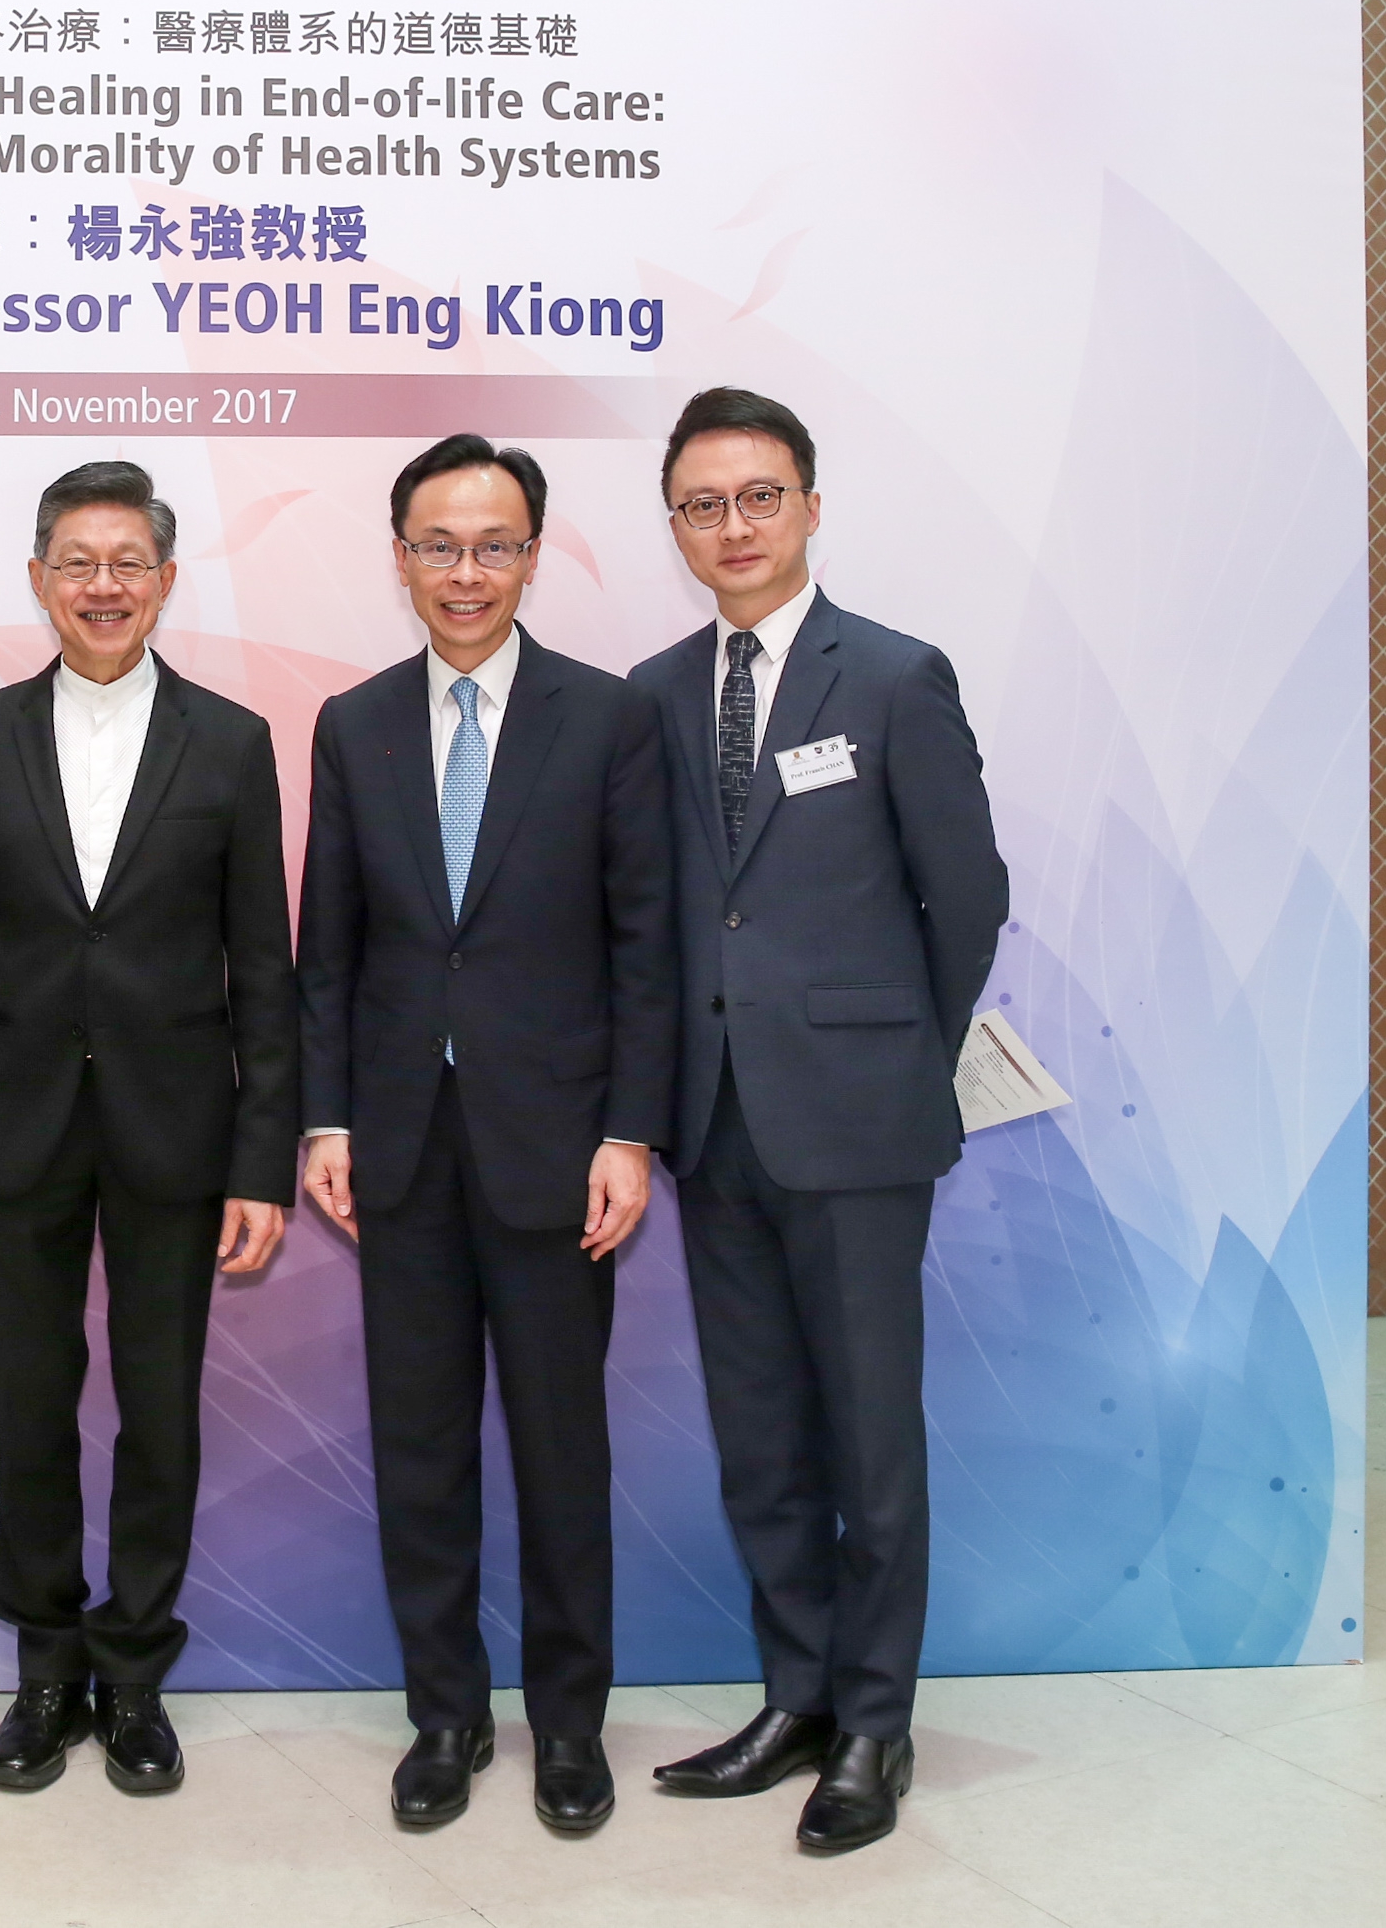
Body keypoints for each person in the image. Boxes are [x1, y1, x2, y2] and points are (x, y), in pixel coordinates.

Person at [628, 389, 1007, 1855]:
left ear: (810, 505)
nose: (733, 526)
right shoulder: (656, 690)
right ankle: (792, 1691)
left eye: (759, 496)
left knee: (868, 1435)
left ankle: (874, 1722)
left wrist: (888, 1047)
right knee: (762, 1433)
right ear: (674, 526)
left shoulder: (897, 676)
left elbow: (963, 898)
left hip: (856, 1124)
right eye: (704, 504)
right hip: (712, 1124)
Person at [296, 434, 676, 1834]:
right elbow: (325, 950)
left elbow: (647, 942)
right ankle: (444, 1715)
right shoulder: (356, 721)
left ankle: (569, 1725)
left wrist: (631, 1130)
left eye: (494, 542)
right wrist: (325, 1113)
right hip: (397, 1147)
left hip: (558, 1148)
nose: (466, 570)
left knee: (563, 1447)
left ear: (535, 551)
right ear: (401, 556)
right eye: (439, 545)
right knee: (422, 1447)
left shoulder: (608, 717)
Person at [0, 462, 299, 1797]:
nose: (103, 585)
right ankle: (43, 1667)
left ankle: (132, 1671)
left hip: (177, 1138)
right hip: (14, 1137)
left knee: (160, 1413)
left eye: (128, 560)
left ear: (166, 581)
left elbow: (267, 966)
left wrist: (263, 1159)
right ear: (38, 578)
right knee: (30, 1408)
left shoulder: (234, 742)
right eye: (77, 560)